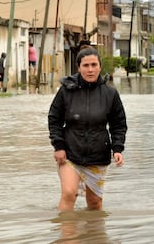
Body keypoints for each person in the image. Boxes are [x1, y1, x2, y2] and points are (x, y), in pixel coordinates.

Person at [48, 46, 127, 211]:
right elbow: (54, 119)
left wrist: (118, 148)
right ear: (78, 67)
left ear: (100, 66)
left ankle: (94, 236)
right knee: (69, 193)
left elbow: (118, 124)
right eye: (86, 66)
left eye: (94, 65)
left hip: (98, 155)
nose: (90, 70)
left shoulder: (110, 94)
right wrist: (59, 146)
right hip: (70, 153)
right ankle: (66, 236)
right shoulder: (66, 91)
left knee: (94, 203)